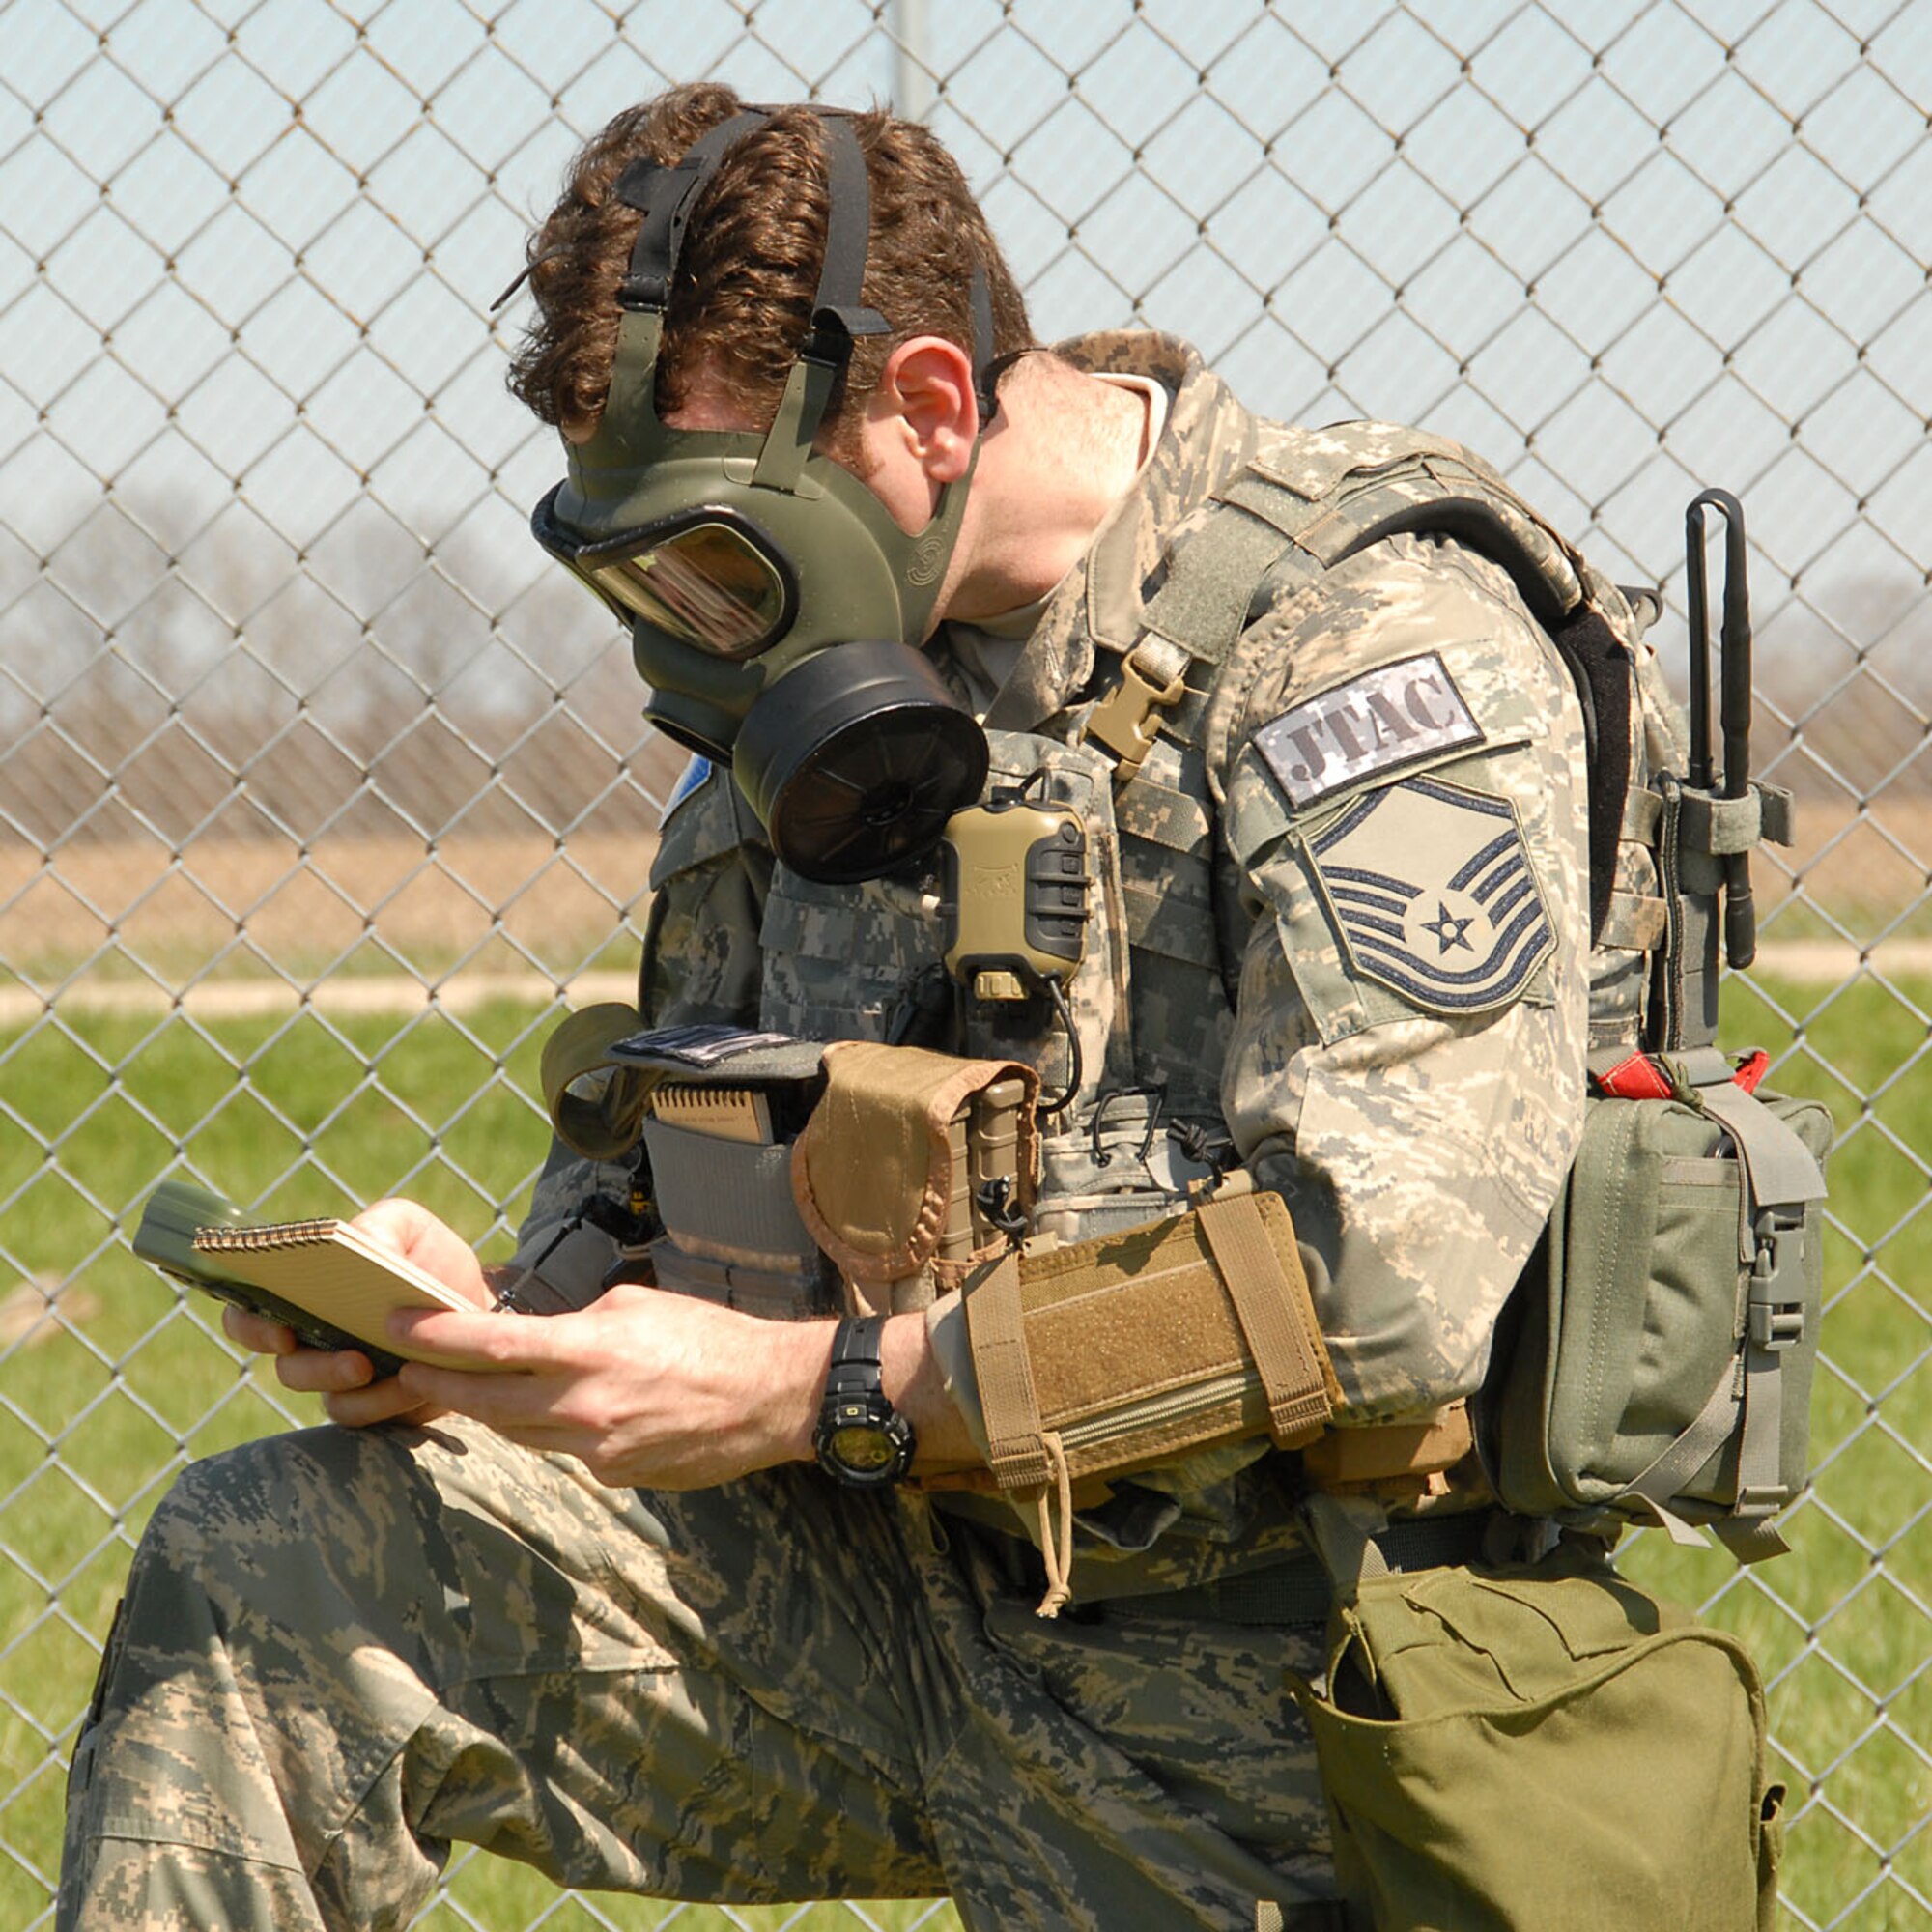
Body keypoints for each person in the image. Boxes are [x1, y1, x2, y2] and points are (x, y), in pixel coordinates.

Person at [59, 83, 1666, 1931]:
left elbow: (1378, 1286)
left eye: (721, 553)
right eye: (632, 564)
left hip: (1283, 1674)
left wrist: (811, 1392)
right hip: (875, 1596)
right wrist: (504, 1326)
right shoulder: (827, 697)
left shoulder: (1365, 642)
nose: (682, 629)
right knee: (272, 1568)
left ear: (928, 402)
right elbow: (704, 1146)